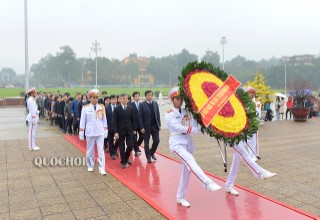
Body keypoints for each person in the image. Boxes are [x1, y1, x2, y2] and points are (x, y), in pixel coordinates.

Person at [165, 86, 221, 207]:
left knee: (186, 171)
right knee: (190, 161)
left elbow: (195, 127)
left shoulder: (186, 112)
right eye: (177, 99)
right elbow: (179, 127)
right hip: (177, 144)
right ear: (172, 100)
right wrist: (189, 129)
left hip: (187, 144)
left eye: (181, 98)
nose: (180, 101)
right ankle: (207, 183)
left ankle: (180, 196)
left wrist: (191, 126)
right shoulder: (169, 114)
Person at [79, 89, 108, 175]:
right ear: (90, 98)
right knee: (90, 150)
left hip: (99, 131)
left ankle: (102, 168)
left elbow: (104, 120)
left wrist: (105, 130)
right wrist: (81, 132)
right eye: (93, 98)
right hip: (90, 132)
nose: (95, 99)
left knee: (101, 150)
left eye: (96, 97)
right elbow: (82, 121)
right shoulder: (85, 108)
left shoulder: (101, 107)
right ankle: (90, 165)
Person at [113, 93, 136, 169]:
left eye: (126, 98)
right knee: (122, 147)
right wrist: (115, 132)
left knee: (130, 145)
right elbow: (114, 121)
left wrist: (134, 129)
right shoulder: (116, 109)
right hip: (120, 131)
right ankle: (123, 162)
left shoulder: (131, 108)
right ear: (119, 100)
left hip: (129, 130)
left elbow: (133, 119)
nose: (125, 100)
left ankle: (126, 158)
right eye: (123, 98)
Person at [139, 90, 161, 163]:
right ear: (145, 96)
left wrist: (159, 124)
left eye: (151, 95)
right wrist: (141, 127)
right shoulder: (142, 105)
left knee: (157, 140)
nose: (150, 97)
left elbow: (158, 114)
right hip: (146, 127)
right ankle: (148, 157)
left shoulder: (155, 103)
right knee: (146, 143)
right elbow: (140, 117)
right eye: (148, 95)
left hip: (155, 126)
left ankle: (151, 153)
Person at [247, 87, 261, 161]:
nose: (249, 94)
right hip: (248, 123)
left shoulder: (256, 102)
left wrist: (255, 124)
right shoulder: (247, 102)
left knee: (254, 140)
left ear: (253, 94)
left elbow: (258, 114)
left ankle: (255, 155)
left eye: (250, 93)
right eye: (248, 93)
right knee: (249, 140)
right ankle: (250, 155)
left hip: (254, 123)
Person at [129, 91, 143, 156]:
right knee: (134, 138)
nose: (137, 97)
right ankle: (136, 150)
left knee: (142, 137)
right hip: (133, 125)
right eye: (136, 96)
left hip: (141, 125)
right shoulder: (130, 105)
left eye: (138, 96)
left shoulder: (142, 105)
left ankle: (136, 146)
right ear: (133, 97)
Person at [106, 95, 119, 159]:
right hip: (110, 127)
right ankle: (112, 154)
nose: (114, 101)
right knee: (110, 141)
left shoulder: (119, 107)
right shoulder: (106, 108)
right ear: (110, 100)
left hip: (118, 127)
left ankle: (115, 149)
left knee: (119, 140)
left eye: (115, 99)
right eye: (113, 99)